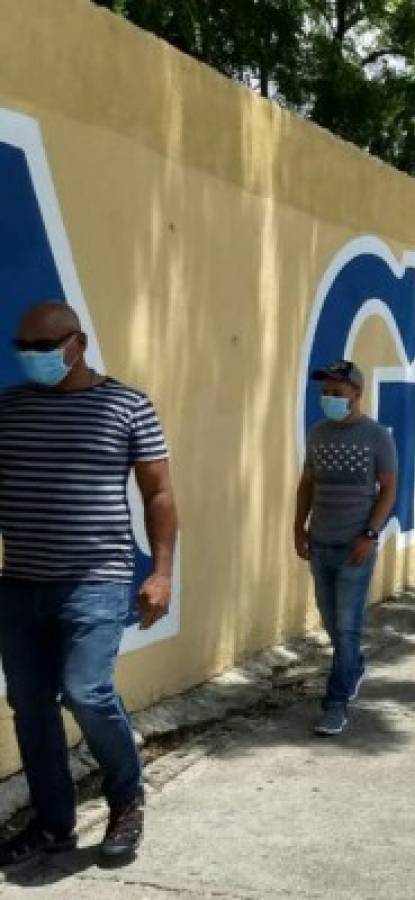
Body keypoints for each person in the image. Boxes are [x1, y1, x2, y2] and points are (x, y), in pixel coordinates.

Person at [0, 302, 178, 865]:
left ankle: (126, 798)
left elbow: (159, 493)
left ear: (76, 344)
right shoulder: (8, 409)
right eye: (22, 348)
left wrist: (163, 571)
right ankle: (54, 825)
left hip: (96, 579)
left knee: (86, 691)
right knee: (28, 704)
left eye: (42, 348)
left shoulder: (127, 405)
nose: (31, 358)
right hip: (21, 582)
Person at [294, 360, 398, 737]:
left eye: (337, 392)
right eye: (324, 392)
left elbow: (388, 488)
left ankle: (335, 704)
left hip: (356, 545)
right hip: (321, 542)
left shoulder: (376, 436)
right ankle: (352, 666)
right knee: (331, 621)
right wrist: (298, 529)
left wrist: (369, 534)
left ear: (356, 393)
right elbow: (307, 484)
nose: (329, 398)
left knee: (347, 624)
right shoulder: (318, 433)